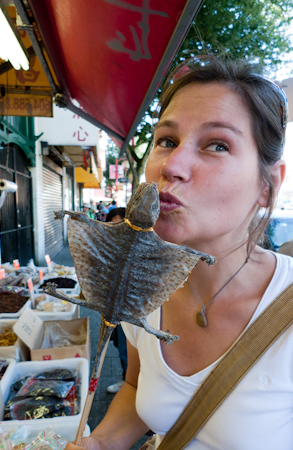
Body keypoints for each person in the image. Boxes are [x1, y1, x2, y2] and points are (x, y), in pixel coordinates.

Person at [67, 55, 292, 450]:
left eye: (217, 145)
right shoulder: (137, 287)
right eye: (167, 141)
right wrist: (100, 443)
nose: (172, 165)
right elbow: (139, 388)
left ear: (268, 185)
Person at [105, 207, 128, 393]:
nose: (115, 226)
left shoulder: (135, 243)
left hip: (130, 307)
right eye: (112, 223)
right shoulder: (107, 243)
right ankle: (126, 378)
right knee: (118, 343)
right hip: (112, 305)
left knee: (126, 347)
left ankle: (129, 382)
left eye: (119, 222)